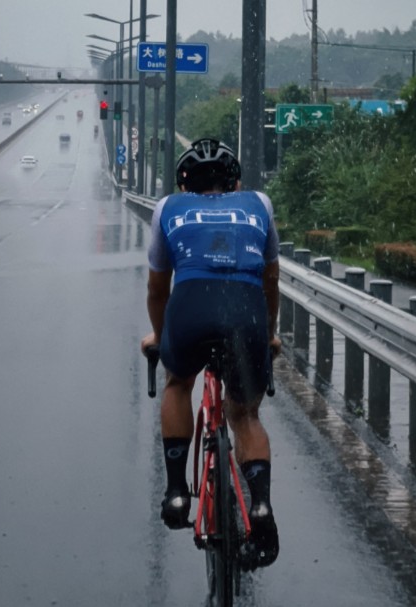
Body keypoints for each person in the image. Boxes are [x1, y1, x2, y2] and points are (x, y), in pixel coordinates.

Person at [141, 138, 281, 571]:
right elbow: (271, 281)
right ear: (234, 181)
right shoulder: (259, 203)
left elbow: (157, 289)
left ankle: (177, 491)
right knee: (246, 416)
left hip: (191, 306)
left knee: (179, 383)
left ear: (185, 183)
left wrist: (163, 340)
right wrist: (269, 335)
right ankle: (259, 506)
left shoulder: (169, 208)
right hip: (246, 311)